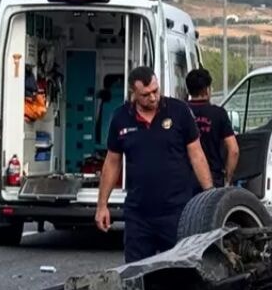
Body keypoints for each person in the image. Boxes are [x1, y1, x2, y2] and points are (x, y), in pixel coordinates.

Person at [95, 66, 214, 262]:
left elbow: (197, 155)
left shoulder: (179, 111)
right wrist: (102, 205)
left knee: (181, 270)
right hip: (138, 214)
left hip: (176, 211)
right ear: (133, 94)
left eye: (155, 91)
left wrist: (209, 194)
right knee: (136, 274)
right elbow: (112, 162)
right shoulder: (120, 117)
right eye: (146, 94)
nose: (153, 97)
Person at [184, 68, 239, 187]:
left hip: (185, 180)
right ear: (206, 90)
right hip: (213, 178)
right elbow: (233, 150)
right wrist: (228, 179)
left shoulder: (181, 112)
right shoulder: (218, 114)